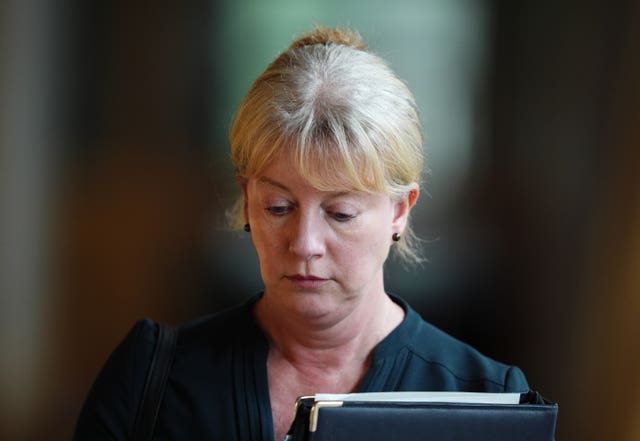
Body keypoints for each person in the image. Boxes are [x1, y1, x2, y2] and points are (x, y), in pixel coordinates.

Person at [73, 25, 528, 441]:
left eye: (342, 213)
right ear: (246, 198)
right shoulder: (153, 378)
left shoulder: (485, 401)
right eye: (278, 207)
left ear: (400, 210)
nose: (305, 244)